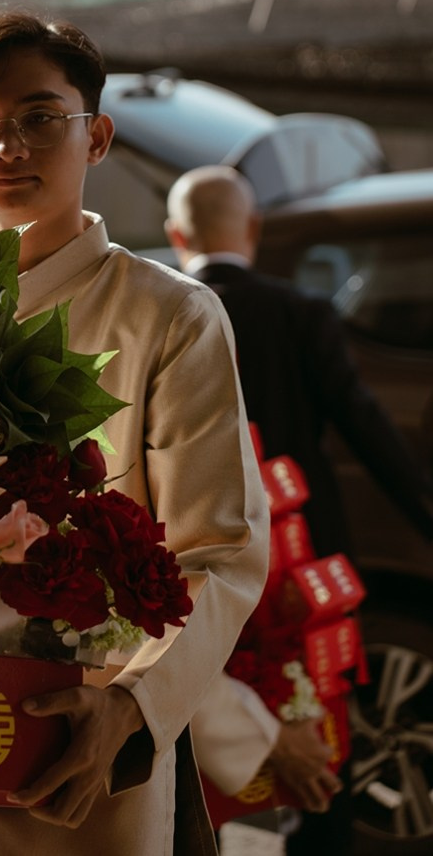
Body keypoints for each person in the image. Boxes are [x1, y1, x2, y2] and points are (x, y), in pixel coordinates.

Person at [0, 10, 269, 856]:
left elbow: (219, 553)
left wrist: (131, 706)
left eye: (41, 119)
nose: (7, 147)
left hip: (79, 744)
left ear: (97, 136)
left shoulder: (172, 315)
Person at [166, 163, 433, 854]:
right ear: (250, 230)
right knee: (315, 720)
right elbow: (364, 426)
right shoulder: (298, 312)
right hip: (301, 557)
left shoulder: (163, 312)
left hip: (196, 551)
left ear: (172, 235)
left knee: (205, 716)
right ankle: (321, 837)